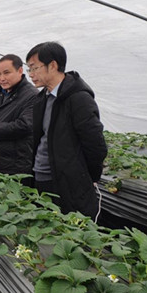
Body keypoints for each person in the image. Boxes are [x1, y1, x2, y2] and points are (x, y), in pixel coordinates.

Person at [26, 41, 107, 217]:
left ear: (53, 65)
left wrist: (88, 177)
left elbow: (95, 144)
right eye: (29, 69)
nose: (31, 74)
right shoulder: (42, 99)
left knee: (69, 225)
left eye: (34, 68)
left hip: (67, 183)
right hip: (41, 176)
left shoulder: (78, 99)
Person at [0, 54, 38, 179]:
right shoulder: (0, 94)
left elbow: (24, 125)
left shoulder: (31, 95)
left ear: (20, 71)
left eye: (6, 73)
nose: (1, 78)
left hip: (15, 166)